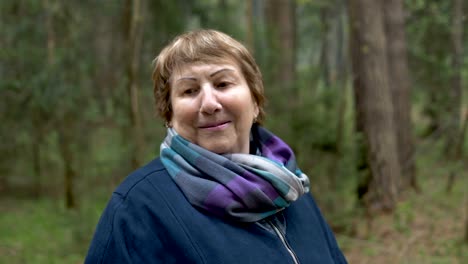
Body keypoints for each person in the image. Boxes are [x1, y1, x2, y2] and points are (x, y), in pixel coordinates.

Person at [85, 29, 347, 264]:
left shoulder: (291, 186)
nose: (209, 103)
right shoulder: (138, 207)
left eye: (222, 84)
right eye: (189, 91)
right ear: (169, 114)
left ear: (255, 101)